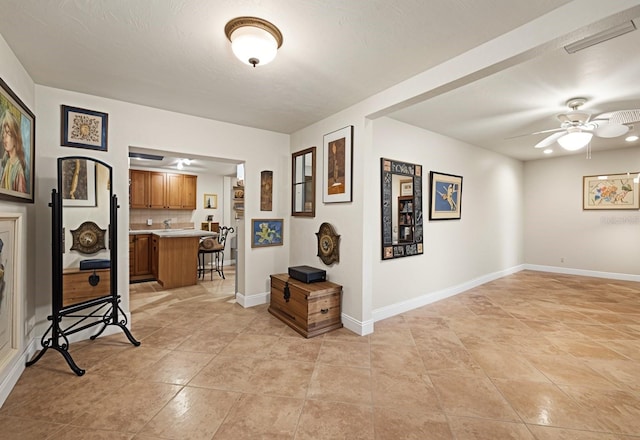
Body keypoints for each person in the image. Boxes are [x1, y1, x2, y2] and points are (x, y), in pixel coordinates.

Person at [0, 110, 27, 193]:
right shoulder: (7, 164)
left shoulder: (18, 169)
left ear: (15, 137)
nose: (4, 137)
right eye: (3, 133)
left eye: (8, 132)